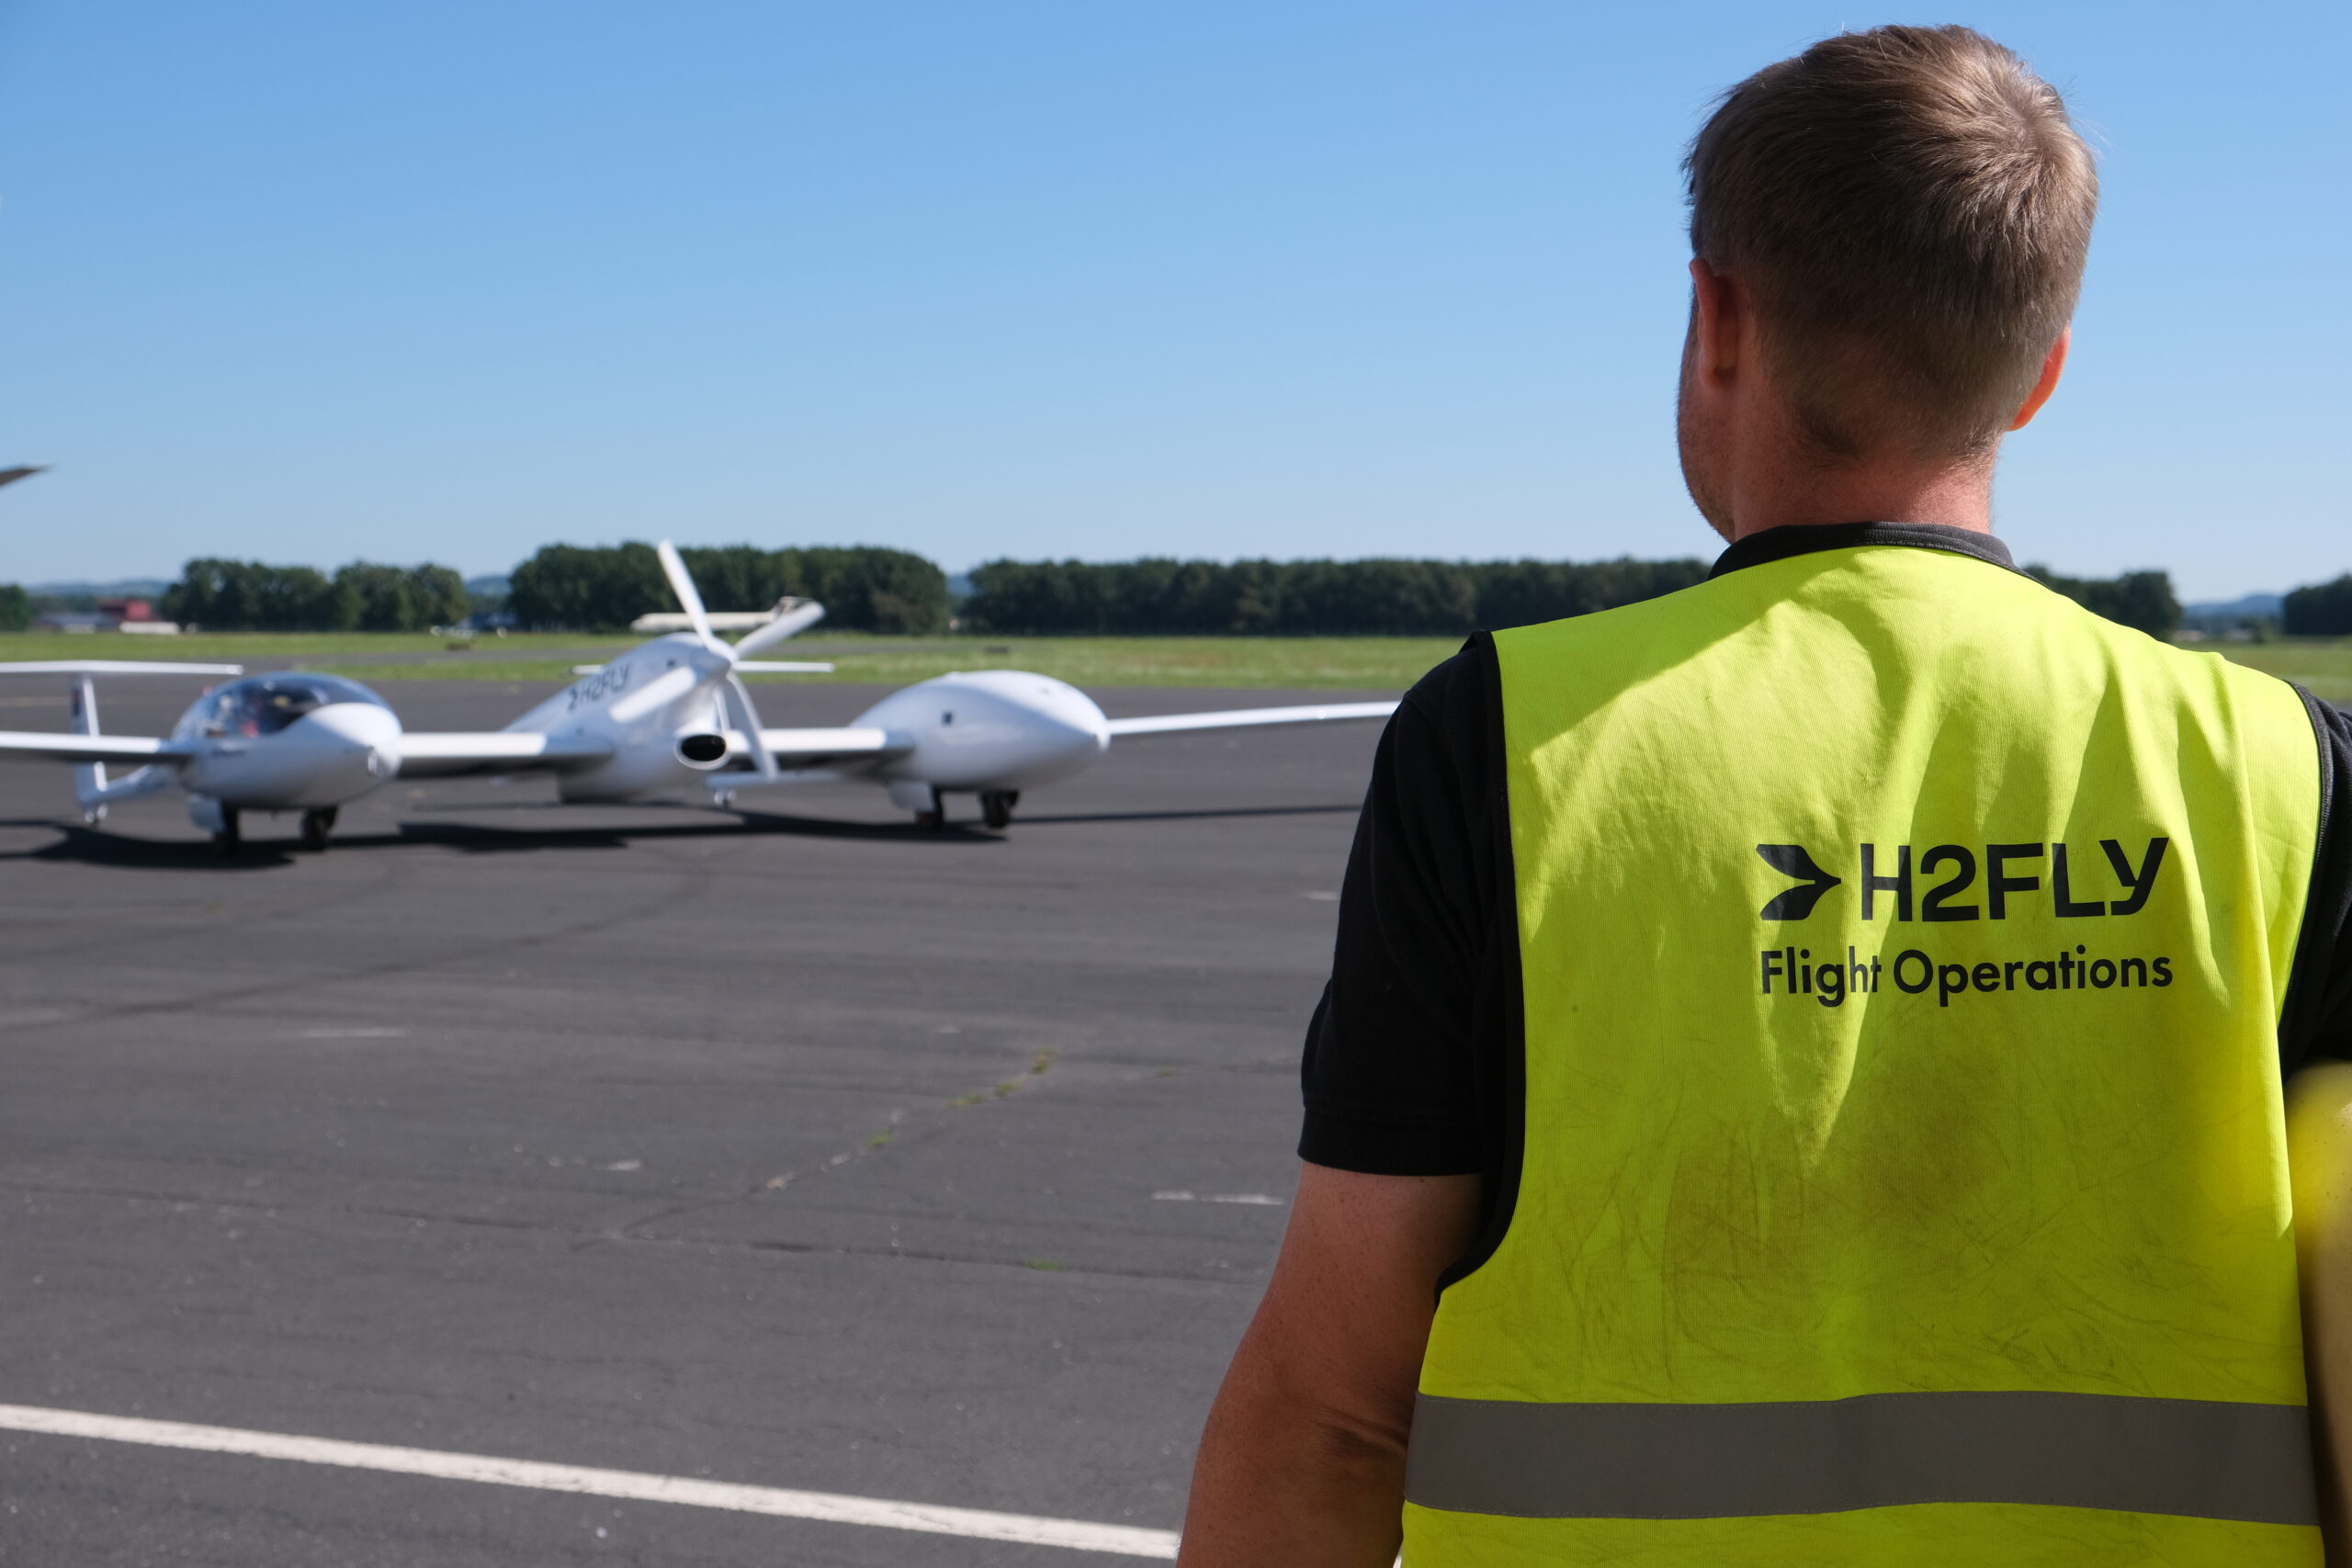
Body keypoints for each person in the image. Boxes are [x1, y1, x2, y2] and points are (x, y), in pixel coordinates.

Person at [1179, 24, 2352, 1567]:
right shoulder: (2280, 763)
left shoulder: (1507, 741)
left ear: (1718, 319)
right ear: (2042, 372)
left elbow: (1331, 1418)